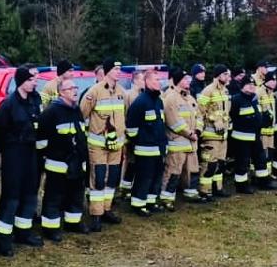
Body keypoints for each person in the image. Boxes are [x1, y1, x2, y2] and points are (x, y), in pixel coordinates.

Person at [0, 70, 45, 253]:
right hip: (13, 153)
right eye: (31, 80)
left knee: (30, 194)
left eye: (35, 79)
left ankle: (24, 231)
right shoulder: (9, 105)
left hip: (31, 152)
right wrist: (8, 150)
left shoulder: (35, 100)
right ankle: (3, 238)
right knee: (11, 197)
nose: (34, 83)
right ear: (21, 81)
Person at [79, 60, 128, 231]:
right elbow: (82, 114)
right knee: (99, 179)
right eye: (115, 69)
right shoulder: (94, 92)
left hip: (117, 145)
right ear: (107, 71)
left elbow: (124, 116)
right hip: (98, 145)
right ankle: (96, 214)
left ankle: (107, 209)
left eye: (119, 69)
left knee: (112, 178)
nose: (118, 71)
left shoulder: (122, 92)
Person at [37, 76, 86, 241]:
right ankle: (50, 228)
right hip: (57, 164)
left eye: (76, 88)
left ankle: (73, 222)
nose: (75, 91)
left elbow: (80, 135)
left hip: (76, 163)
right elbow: (41, 140)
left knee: (75, 194)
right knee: (54, 196)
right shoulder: (51, 112)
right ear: (61, 93)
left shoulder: (76, 110)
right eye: (71, 89)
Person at [125, 68, 168, 216]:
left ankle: (150, 201)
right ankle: (138, 203)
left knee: (156, 176)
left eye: (160, 80)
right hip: (145, 148)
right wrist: (139, 141)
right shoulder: (140, 101)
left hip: (158, 147)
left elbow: (160, 125)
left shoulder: (158, 101)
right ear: (147, 82)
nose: (159, 83)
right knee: (144, 177)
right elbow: (131, 127)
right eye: (156, 80)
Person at [161, 71, 204, 207]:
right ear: (178, 80)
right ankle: (167, 198)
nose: (188, 82)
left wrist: (197, 130)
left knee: (193, 170)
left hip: (192, 144)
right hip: (178, 143)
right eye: (185, 79)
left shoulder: (190, 98)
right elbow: (174, 122)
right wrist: (190, 134)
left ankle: (191, 193)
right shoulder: (171, 98)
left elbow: (199, 116)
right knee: (173, 172)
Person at [197, 66, 232, 199]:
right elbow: (200, 111)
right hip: (211, 135)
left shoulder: (225, 91)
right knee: (209, 164)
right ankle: (204, 191)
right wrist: (213, 120)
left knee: (221, 164)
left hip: (223, 135)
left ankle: (218, 188)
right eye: (225, 74)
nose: (228, 77)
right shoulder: (208, 91)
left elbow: (226, 112)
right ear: (218, 76)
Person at [228, 74, 265, 193]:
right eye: (248, 85)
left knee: (260, 159)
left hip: (255, 136)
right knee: (242, 162)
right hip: (241, 137)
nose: (251, 87)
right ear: (242, 86)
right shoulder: (236, 99)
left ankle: (263, 181)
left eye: (253, 84)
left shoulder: (254, 99)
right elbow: (231, 117)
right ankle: (241, 185)